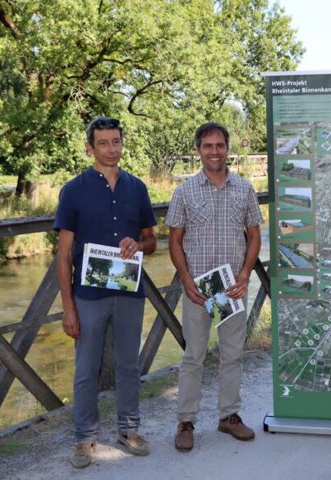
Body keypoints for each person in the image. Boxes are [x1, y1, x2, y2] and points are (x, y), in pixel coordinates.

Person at [54, 116, 158, 468]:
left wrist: (138, 244)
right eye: (103, 143)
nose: (111, 149)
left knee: (129, 364)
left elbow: (152, 241)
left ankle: (129, 430)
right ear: (90, 147)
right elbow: (64, 254)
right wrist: (68, 308)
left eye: (116, 141)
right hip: (88, 295)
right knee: (86, 368)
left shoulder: (137, 187)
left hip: (129, 292)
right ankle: (85, 439)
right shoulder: (73, 190)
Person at [166, 122, 263, 451]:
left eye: (220, 145)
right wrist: (185, 279)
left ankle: (229, 417)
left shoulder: (245, 189)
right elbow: (174, 240)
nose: (214, 151)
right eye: (208, 146)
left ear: (227, 149)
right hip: (199, 288)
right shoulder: (184, 191)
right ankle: (186, 421)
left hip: (231, 287)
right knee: (193, 356)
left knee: (232, 354)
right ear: (199, 150)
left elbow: (255, 235)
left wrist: (246, 274)